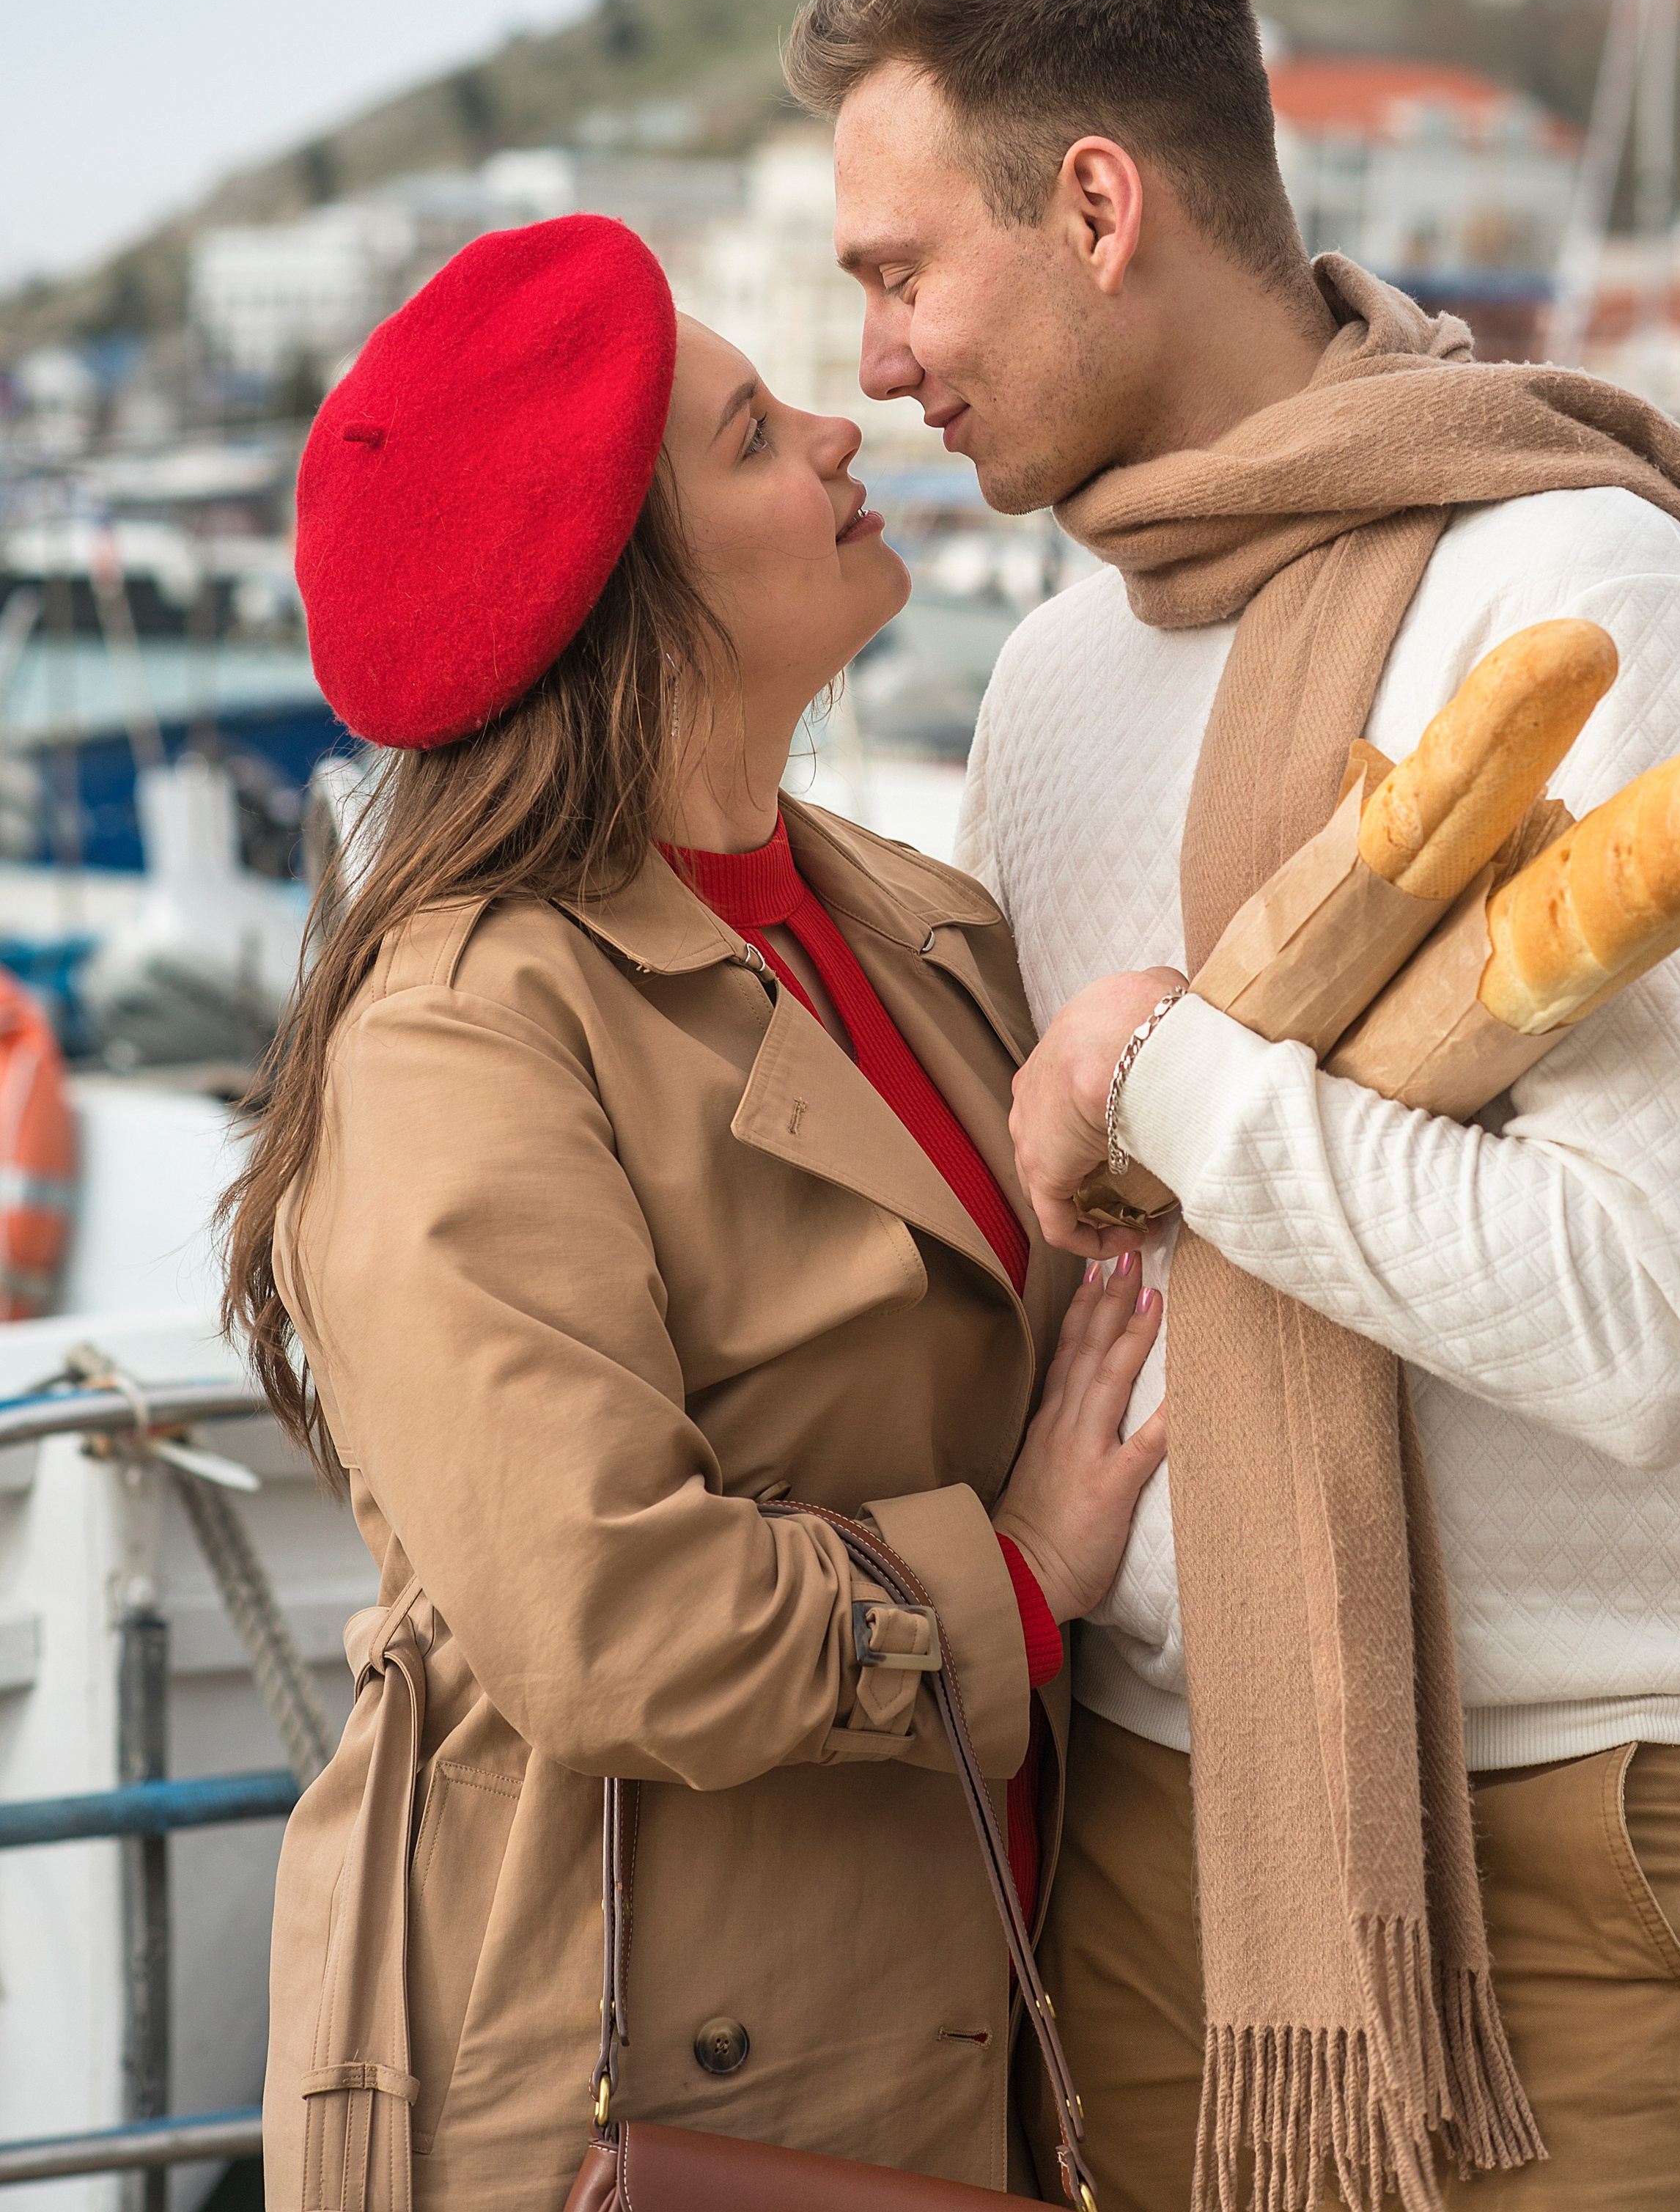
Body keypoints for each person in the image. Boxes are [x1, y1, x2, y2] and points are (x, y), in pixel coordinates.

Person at [788, 0, 1680, 2212]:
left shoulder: (1571, 586)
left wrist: (1168, 1081)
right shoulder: (1056, 680)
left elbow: (1645, 1321)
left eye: (897, 271)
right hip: (1170, 1824)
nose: (872, 358)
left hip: (1578, 1835)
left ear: (1095, 206)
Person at [221, 214, 1168, 2211]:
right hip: (626, 2083)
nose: (841, 429)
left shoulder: (906, 925)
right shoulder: (461, 1032)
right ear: (623, 602)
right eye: (752, 436)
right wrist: (1016, 1579)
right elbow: (605, 1611)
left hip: (946, 2010)